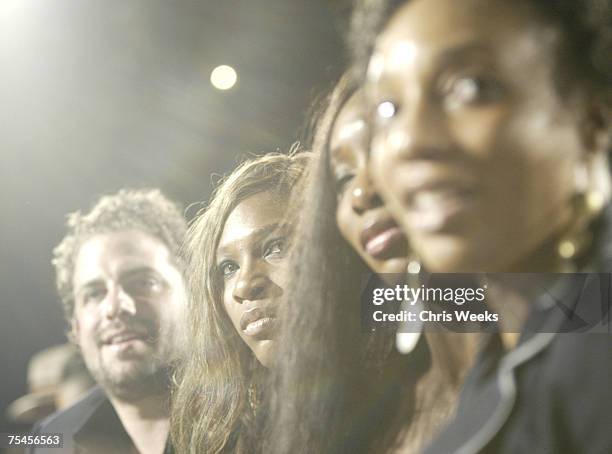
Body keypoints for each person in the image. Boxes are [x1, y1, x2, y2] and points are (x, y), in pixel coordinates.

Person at [349, 0, 612, 452]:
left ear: (592, 124)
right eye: (388, 109)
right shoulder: (495, 369)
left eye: (470, 88)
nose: (409, 140)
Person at [267, 77, 474, 454]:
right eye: (343, 178)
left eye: (386, 150)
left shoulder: (578, 333)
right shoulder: (374, 416)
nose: (362, 193)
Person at [171, 151, 310, 454]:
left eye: (276, 246)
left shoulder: (421, 397)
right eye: (228, 268)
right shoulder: (222, 440)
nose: (245, 286)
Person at [30, 189, 187, 454]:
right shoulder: (50, 441)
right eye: (94, 293)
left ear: (193, 297)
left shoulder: (260, 417)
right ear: (76, 327)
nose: (115, 306)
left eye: (143, 282)